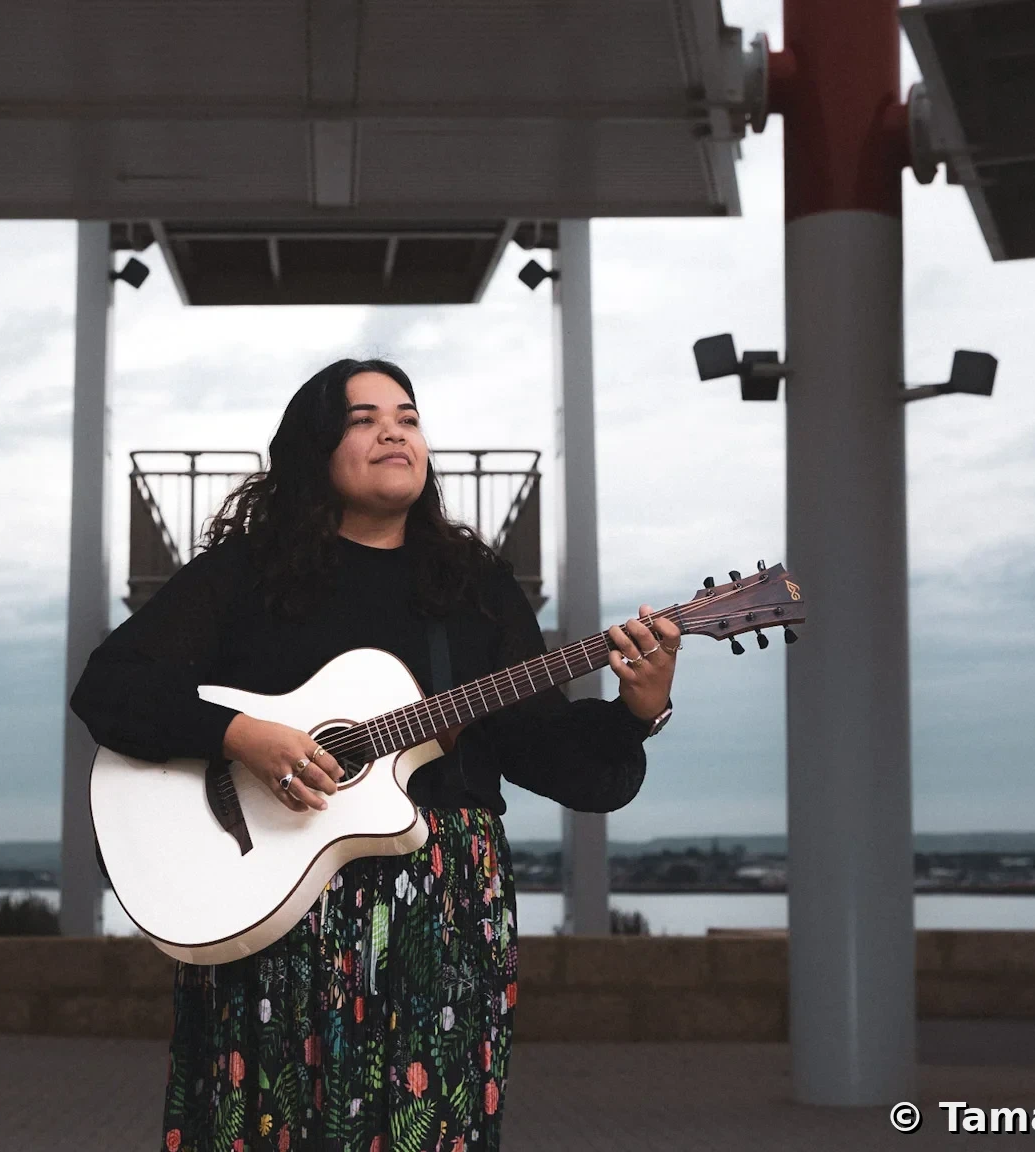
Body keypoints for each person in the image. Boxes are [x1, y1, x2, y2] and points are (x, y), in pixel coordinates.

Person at [70, 358, 680, 1152]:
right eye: (364, 419)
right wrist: (241, 736)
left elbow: (548, 753)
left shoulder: (473, 586)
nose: (395, 432)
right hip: (272, 897)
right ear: (315, 449)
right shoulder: (246, 575)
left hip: (444, 907)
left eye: (408, 417)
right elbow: (110, 688)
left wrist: (639, 709)